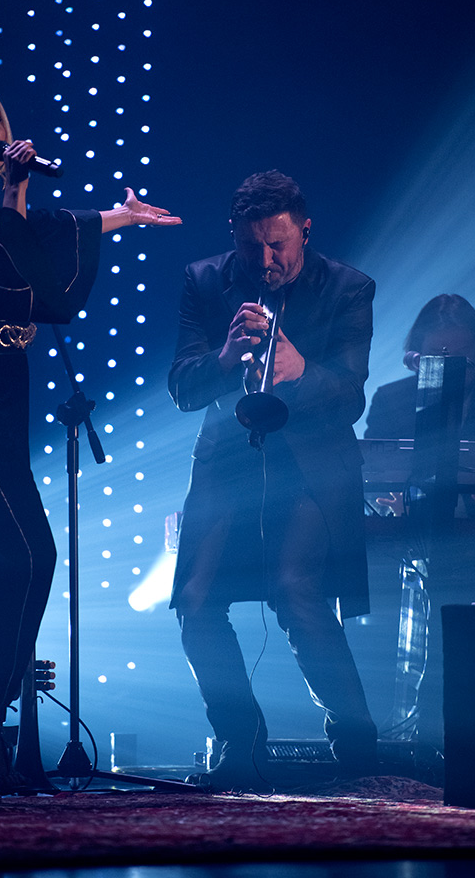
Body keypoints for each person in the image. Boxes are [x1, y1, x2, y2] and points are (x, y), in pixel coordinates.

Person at [0, 78, 181, 802]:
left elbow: (41, 244)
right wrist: (15, 205)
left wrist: (116, 217)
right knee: (30, 553)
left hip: (5, 392)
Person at [168, 170, 378, 792]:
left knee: (296, 591)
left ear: (304, 231)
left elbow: (350, 398)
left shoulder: (349, 288)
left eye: (277, 244)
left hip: (313, 463)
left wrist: (300, 370)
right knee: (196, 601)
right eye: (249, 246)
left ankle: (355, 738)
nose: (264, 261)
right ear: (233, 235)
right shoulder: (203, 280)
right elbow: (182, 388)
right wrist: (224, 358)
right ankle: (240, 740)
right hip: (227, 462)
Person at [364, 294, 475, 518]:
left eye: (461, 355)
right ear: (416, 356)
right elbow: (369, 476)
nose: (450, 364)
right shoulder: (390, 400)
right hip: (403, 531)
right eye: (437, 354)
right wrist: (394, 509)